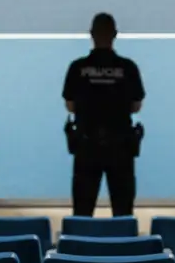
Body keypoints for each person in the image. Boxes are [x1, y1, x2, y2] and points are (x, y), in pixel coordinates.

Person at [62, 13, 145, 218]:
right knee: (123, 209)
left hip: (86, 146)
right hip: (120, 147)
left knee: (82, 210)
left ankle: (78, 247)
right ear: (115, 35)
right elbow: (136, 106)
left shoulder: (77, 67)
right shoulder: (128, 67)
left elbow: (70, 106)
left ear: (91, 34)